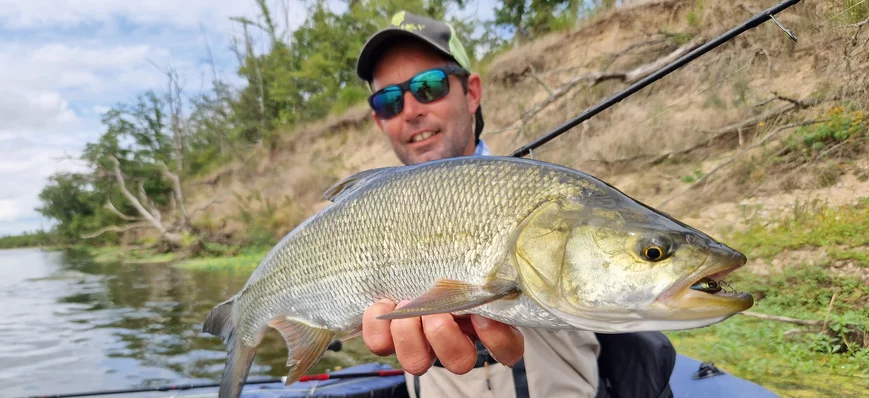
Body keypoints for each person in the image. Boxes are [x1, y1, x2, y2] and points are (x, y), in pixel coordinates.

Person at [354, 11, 676, 398]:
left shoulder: (559, 201)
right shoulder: (365, 223)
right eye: (389, 100)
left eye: (429, 86)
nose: (410, 110)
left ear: (471, 92)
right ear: (379, 120)